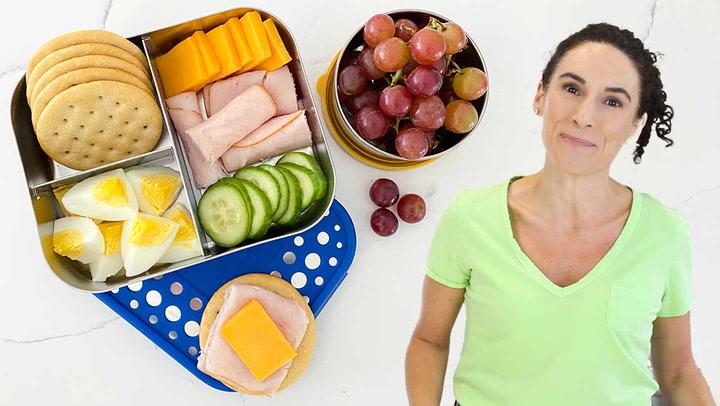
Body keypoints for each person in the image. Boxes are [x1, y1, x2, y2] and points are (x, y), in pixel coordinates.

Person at [405, 23, 716, 406]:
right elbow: (429, 341)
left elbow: (679, 372)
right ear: (540, 95)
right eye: (572, 89)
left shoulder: (664, 234)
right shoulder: (471, 217)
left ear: (636, 123)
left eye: (613, 101)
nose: (584, 116)